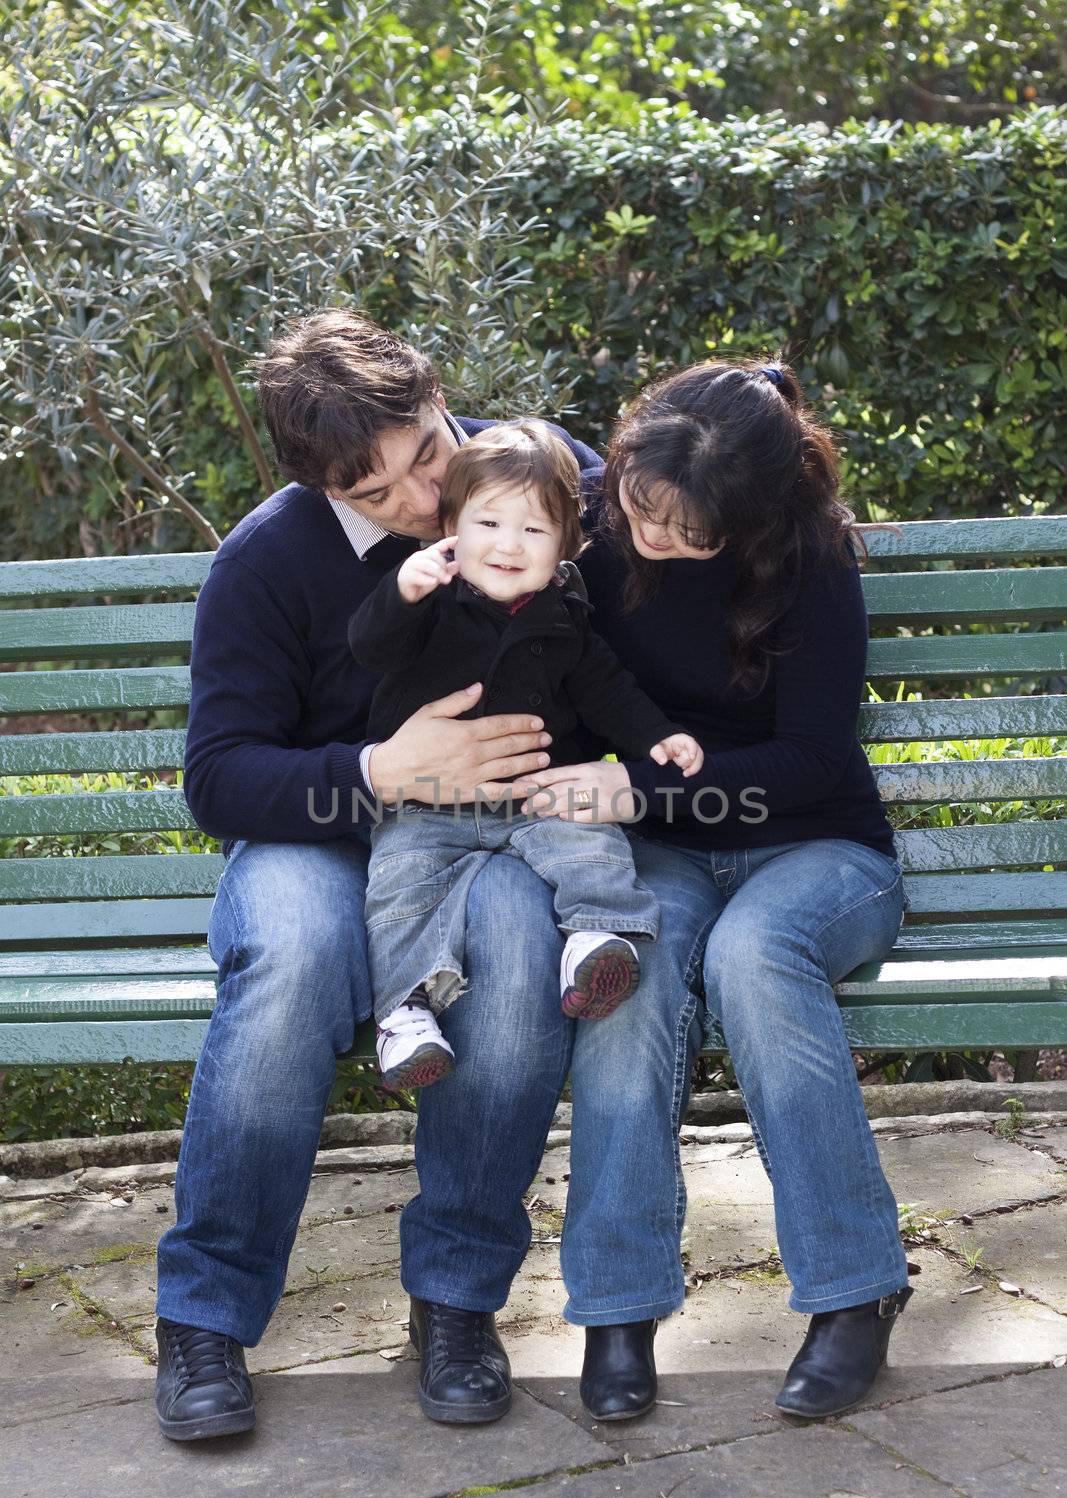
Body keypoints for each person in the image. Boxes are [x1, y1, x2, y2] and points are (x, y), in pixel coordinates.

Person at [152, 310, 712, 1438]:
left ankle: (454, 1300)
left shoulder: (534, 477)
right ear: (323, 490)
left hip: (499, 831)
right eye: (376, 494)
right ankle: (205, 1317)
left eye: (426, 455)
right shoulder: (266, 561)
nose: (420, 502)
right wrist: (381, 769)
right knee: (297, 957)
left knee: (514, 950)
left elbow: (683, 529)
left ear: (440, 401)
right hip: (324, 830)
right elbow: (217, 776)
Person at [529, 357, 914, 1420]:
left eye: (683, 532)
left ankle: (852, 1291)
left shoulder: (810, 555)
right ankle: (616, 1305)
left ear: (746, 520)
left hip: (817, 850)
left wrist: (628, 789)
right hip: (659, 851)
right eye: (637, 511)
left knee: (752, 954)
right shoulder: (600, 527)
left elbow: (809, 761)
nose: (648, 538)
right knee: (627, 972)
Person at [349, 419, 703, 1089]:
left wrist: (655, 737)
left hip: (530, 792)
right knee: (400, 889)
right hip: (426, 802)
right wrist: (401, 592)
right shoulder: (427, 596)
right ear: (451, 524)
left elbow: (606, 690)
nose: (507, 546)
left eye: (533, 531)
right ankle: (405, 1014)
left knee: (590, 841)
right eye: (487, 524)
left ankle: (597, 942)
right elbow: (371, 650)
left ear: (566, 545)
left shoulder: (564, 612)